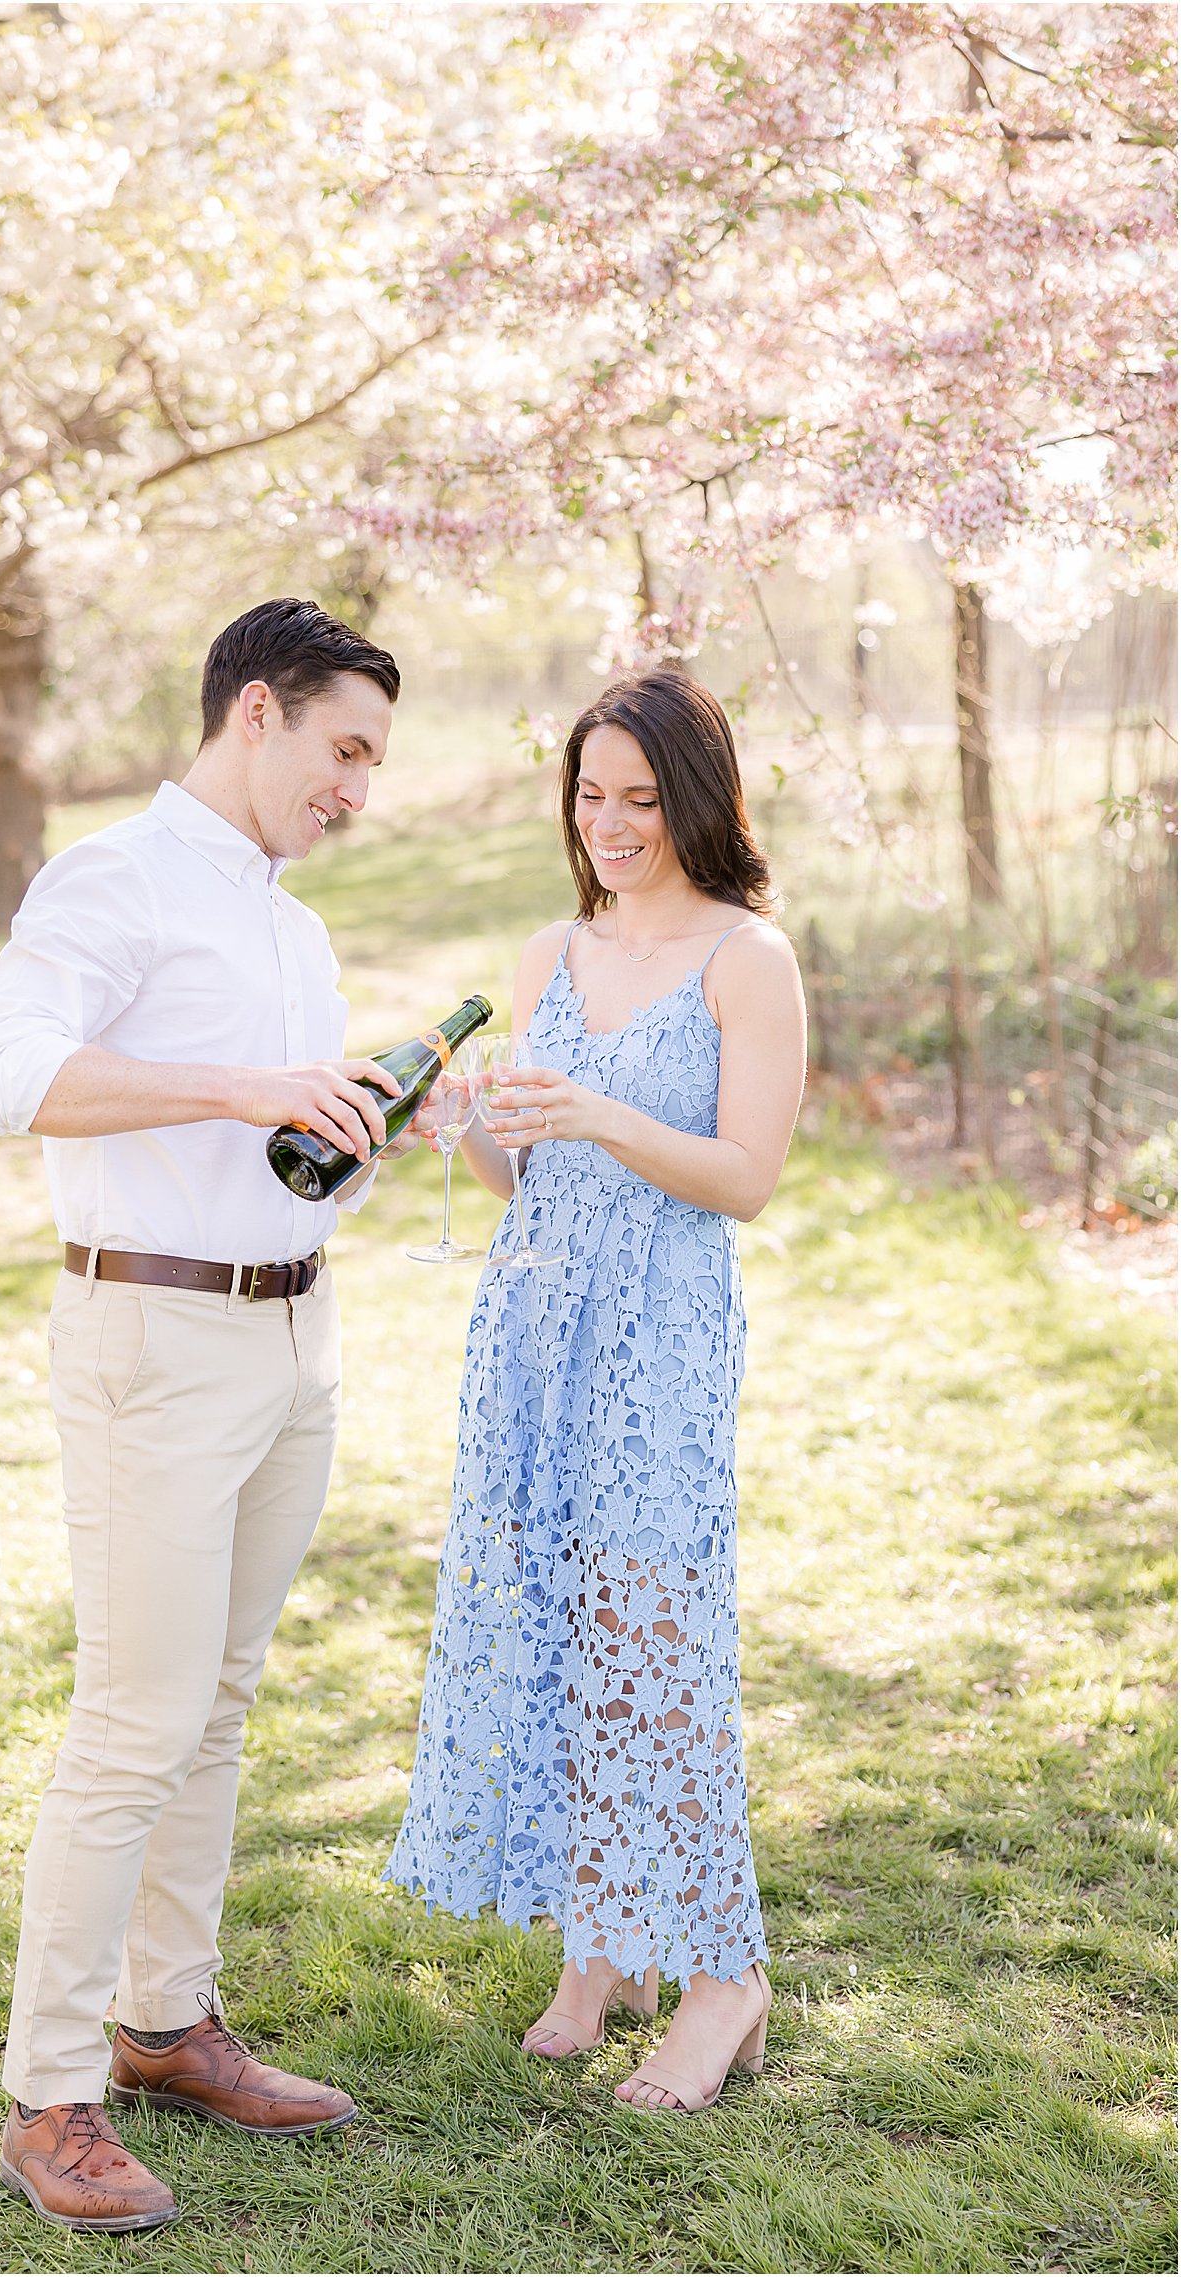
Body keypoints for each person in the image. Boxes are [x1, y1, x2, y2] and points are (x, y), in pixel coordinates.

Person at [0, 598, 410, 2234]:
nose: (358, 785)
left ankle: (166, 2022)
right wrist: (238, 1089)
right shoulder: (112, 879)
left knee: (216, 1705)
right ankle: (51, 2094)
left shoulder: (290, 927)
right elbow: (3, 1071)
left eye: (374, 760)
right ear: (257, 715)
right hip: (148, 1335)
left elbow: (268, 1151)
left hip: (291, 1339)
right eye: (344, 748)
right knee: (132, 1720)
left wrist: (341, 1148)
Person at [388, 667, 806, 2114]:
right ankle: (605, 1938)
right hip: (534, 1323)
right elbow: (531, 1166)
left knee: (656, 1641)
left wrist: (597, 1110)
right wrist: (464, 1128)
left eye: (641, 795)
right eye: (591, 794)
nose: (613, 822)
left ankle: (724, 1976)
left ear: (696, 797)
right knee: (558, 1621)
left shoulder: (747, 957)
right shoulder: (548, 950)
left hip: (658, 1337)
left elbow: (746, 1178)